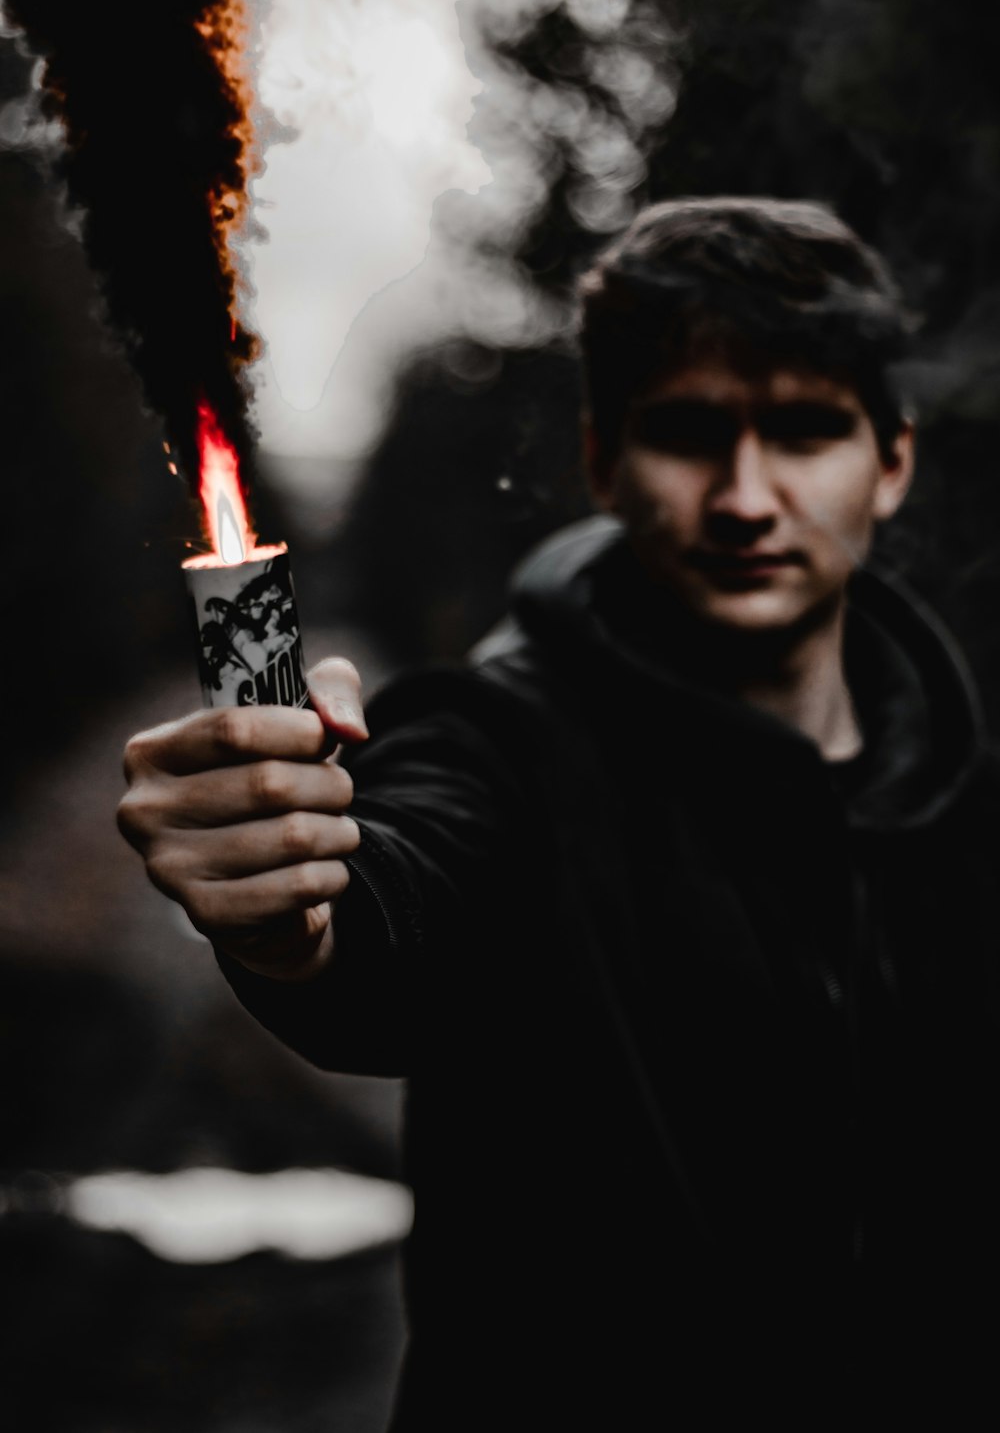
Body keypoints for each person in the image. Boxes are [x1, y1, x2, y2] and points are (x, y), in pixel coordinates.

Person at [118, 198, 1000, 1426]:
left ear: (889, 460)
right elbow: (397, 890)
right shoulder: (496, 751)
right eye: (688, 434)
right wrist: (291, 909)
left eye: (805, 431)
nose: (746, 498)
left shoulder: (967, 800)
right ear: (602, 459)